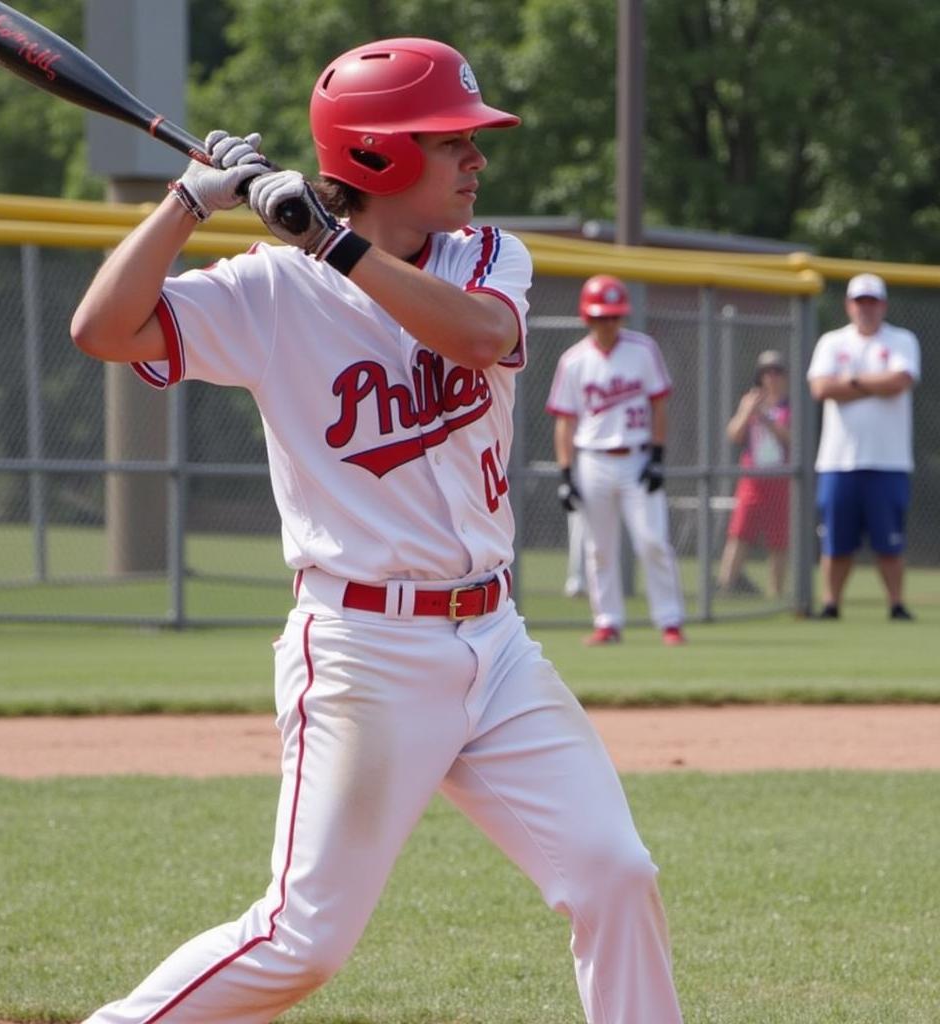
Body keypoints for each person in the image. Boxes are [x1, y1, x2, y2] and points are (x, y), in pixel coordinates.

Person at [70, 38, 683, 1024]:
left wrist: (330, 241)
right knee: (301, 940)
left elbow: (478, 337)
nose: (478, 162)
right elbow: (101, 331)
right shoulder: (268, 292)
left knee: (614, 870)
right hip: (364, 651)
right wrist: (187, 202)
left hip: (495, 644)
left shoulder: (483, 255)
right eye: (454, 145)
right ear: (381, 156)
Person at [547, 275, 687, 647]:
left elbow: (659, 405)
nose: (608, 323)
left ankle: (669, 621)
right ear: (587, 318)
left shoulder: (643, 350)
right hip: (593, 459)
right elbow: (565, 422)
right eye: (601, 316)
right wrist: (565, 473)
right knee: (598, 547)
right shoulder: (574, 360)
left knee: (653, 541)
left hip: (637, 456)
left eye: (614, 316)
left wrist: (657, 457)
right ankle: (607, 621)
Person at [807, 272, 920, 620]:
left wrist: (851, 382)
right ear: (849, 306)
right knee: (837, 541)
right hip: (838, 461)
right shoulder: (831, 342)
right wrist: (874, 384)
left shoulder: (901, 339)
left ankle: (896, 604)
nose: (866, 309)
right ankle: (831, 603)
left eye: (872, 302)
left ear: (883, 305)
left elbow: (900, 380)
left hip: (888, 460)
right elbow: (821, 389)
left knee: (889, 542)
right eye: (860, 302)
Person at [716, 349, 791, 599]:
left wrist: (767, 419)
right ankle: (727, 584)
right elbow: (734, 434)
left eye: (777, 372)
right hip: (752, 479)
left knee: (778, 539)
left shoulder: (790, 406)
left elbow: (792, 440)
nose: (772, 377)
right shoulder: (750, 401)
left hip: (780, 479)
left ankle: (776, 593)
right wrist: (748, 411)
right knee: (739, 532)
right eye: (767, 372)